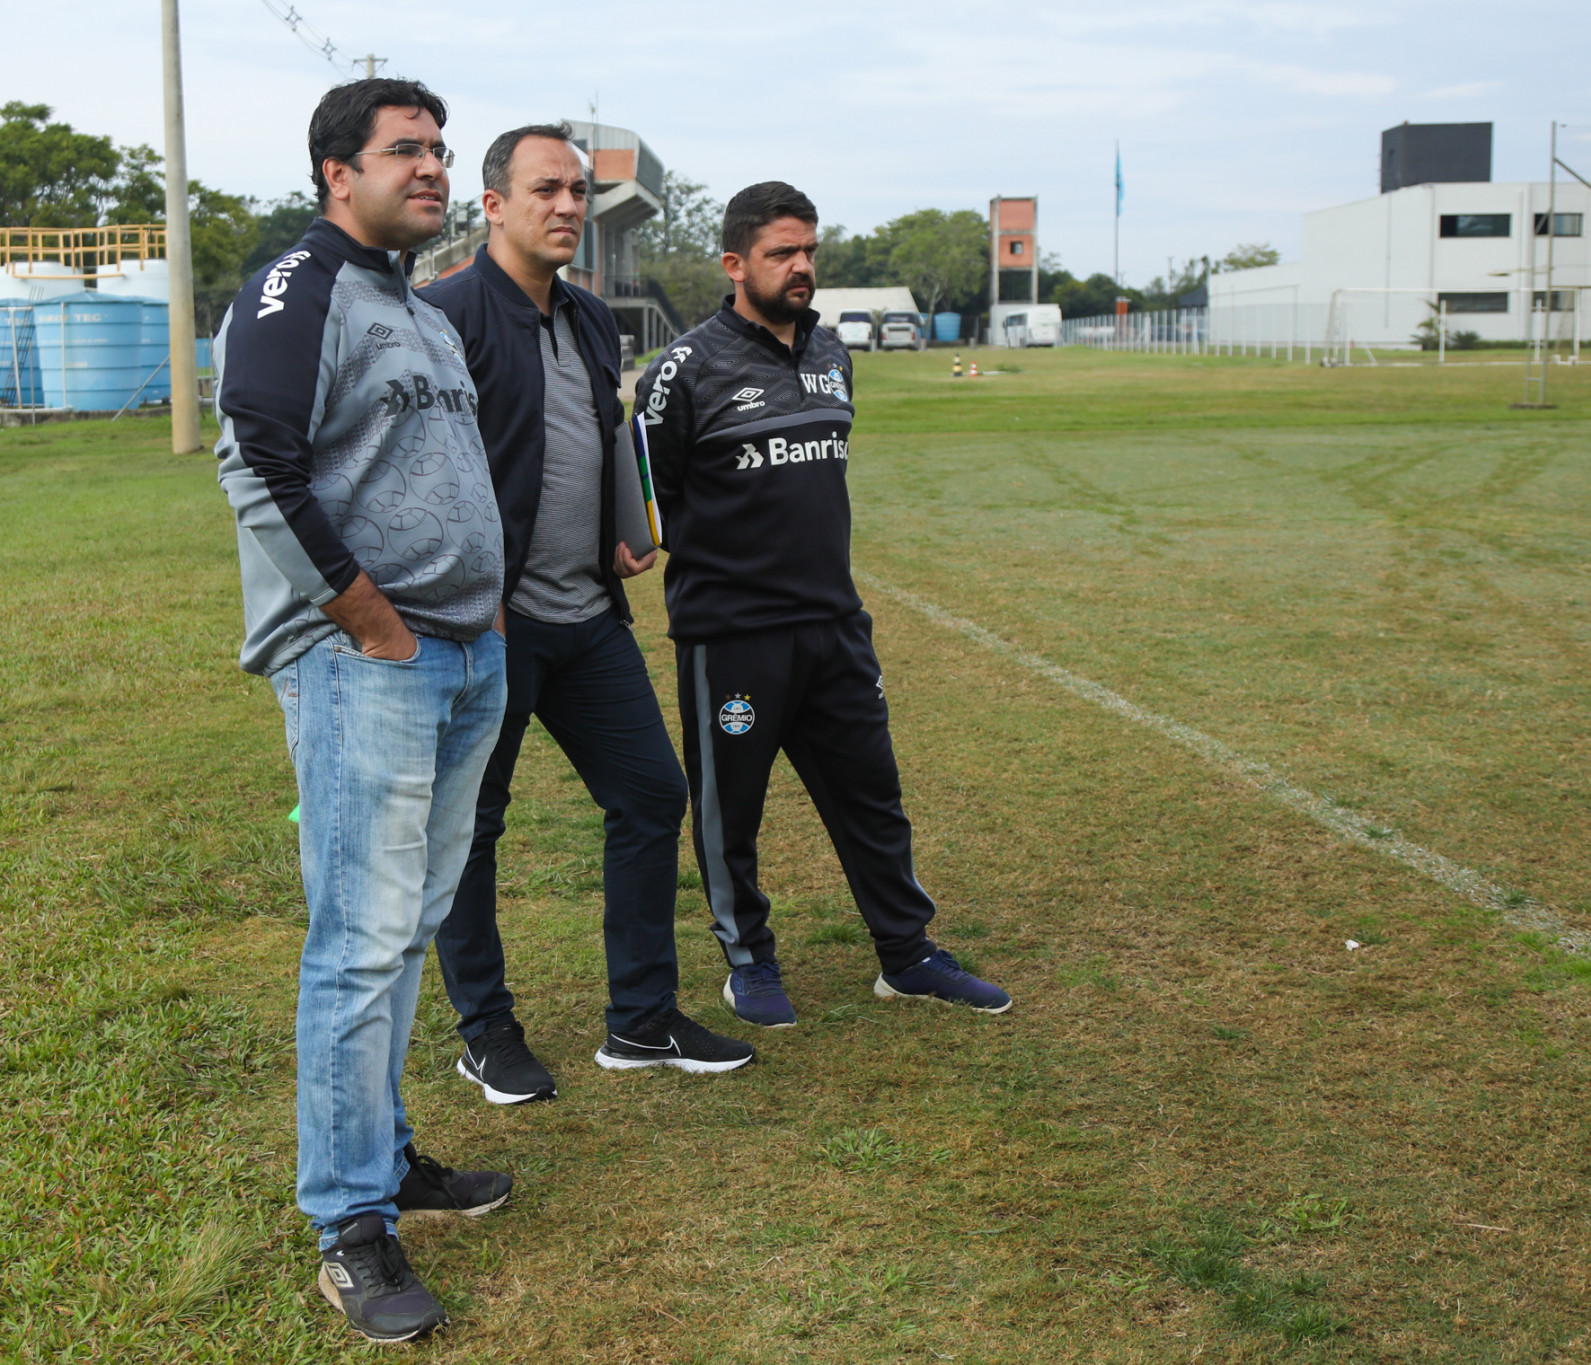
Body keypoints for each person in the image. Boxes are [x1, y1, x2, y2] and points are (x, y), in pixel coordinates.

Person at [215, 78, 511, 1343]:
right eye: (408, 151)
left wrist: (479, 611)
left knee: (405, 930)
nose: (433, 168)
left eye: (441, 149)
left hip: (462, 656)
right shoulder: (302, 285)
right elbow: (256, 455)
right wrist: (368, 618)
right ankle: (349, 1224)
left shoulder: (415, 304)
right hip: (366, 665)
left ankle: (386, 1161)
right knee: (357, 938)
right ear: (339, 172)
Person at [419, 124, 753, 1097]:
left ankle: (642, 1021)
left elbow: (604, 434)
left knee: (650, 794)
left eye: (577, 189)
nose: (567, 206)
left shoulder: (591, 318)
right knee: (474, 826)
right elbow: (418, 477)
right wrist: (460, 605)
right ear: (493, 206)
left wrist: (628, 521)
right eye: (545, 189)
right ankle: (485, 1029)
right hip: (491, 629)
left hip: (586, 615)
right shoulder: (443, 316)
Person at [635, 181, 1013, 1029]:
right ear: (735, 264)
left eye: (809, 251)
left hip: (835, 627)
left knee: (872, 796)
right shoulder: (681, 373)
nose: (801, 266)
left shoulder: (832, 355)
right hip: (732, 637)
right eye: (781, 253)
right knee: (733, 811)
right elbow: (647, 504)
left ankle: (907, 955)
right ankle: (749, 962)